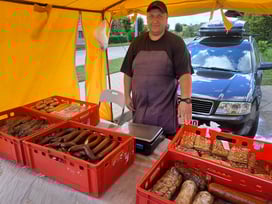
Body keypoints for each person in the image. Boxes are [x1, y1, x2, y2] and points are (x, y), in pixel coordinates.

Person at [120, 1, 193, 136]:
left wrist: (186, 100)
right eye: (151, 16)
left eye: (159, 16)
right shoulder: (137, 43)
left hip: (164, 115)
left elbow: (185, 74)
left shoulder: (176, 43)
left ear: (166, 18)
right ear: (147, 19)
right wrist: (126, 95)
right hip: (139, 113)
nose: (155, 20)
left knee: (162, 147)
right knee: (140, 147)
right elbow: (128, 72)